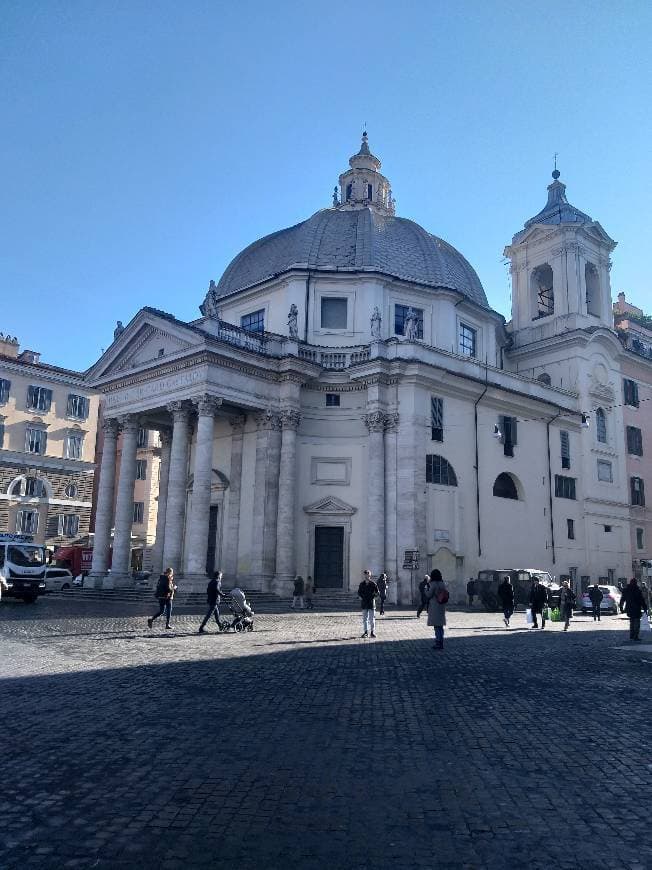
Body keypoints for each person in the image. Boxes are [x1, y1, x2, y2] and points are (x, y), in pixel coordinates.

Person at [620, 577, 648, 642]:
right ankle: (635, 636)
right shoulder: (637, 590)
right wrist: (645, 608)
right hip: (636, 609)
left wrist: (621, 607)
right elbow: (642, 600)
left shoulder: (626, 590)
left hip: (629, 608)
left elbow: (622, 599)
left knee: (632, 622)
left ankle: (632, 635)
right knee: (637, 623)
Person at [425, 569, 448, 650]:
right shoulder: (442, 583)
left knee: (436, 626)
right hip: (441, 606)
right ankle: (440, 641)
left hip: (435, 606)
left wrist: (426, 589)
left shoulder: (433, 584)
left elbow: (429, 595)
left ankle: (438, 642)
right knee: (440, 626)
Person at [358, 569, 379, 638]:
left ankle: (372, 632)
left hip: (371, 603)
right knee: (365, 619)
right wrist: (360, 597)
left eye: (368, 574)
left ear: (370, 575)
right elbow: (359, 592)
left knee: (372, 619)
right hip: (364, 603)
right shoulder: (361, 584)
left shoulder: (373, 584)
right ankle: (366, 632)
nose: (367, 576)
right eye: (365, 575)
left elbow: (377, 593)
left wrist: (374, 597)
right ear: (364, 575)